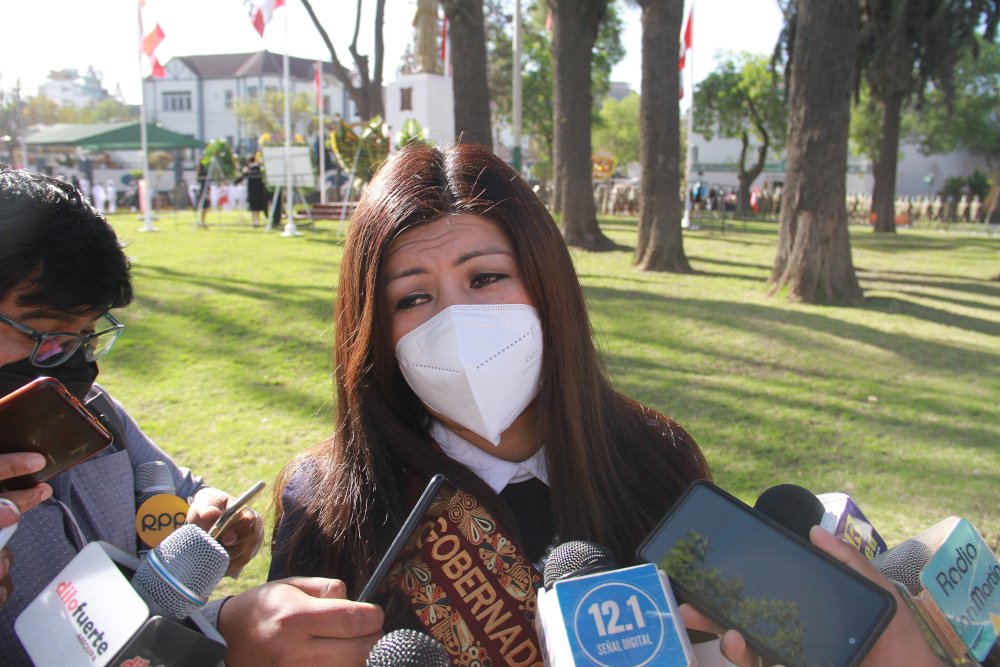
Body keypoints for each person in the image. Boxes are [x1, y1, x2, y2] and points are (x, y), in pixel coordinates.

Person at [223, 143, 947, 667]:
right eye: (413, 297)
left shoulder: (656, 455)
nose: (457, 319)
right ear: (373, 329)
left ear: (548, 285)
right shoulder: (326, 497)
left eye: (485, 278)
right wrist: (237, 632)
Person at [0, 167, 262, 661]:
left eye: (85, 335)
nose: (70, 362)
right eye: (44, 334)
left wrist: (222, 514)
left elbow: (179, 492)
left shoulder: (98, 414)